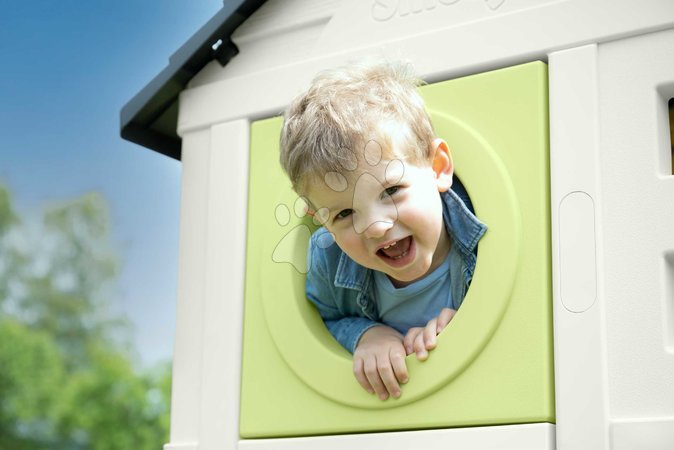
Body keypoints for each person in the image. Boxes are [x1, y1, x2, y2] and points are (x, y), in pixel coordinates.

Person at [279, 60, 487, 401]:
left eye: (391, 191)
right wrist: (366, 334)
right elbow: (326, 317)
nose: (375, 226)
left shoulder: (483, 244)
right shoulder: (328, 261)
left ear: (438, 167)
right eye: (345, 213)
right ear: (320, 218)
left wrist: (463, 323)